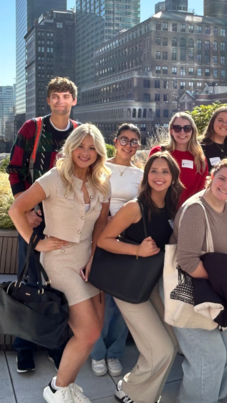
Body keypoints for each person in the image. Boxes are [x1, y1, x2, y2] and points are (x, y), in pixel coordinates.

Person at [9, 124, 111, 403]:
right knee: (88, 331)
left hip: (90, 261)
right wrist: (36, 242)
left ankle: (66, 385)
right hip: (61, 262)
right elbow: (16, 209)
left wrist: (94, 258)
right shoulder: (55, 177)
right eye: (81, 146)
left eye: (92, 148)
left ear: (99, 152)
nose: (86, 153)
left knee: (92, 333)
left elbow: (102, 224)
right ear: (71, 147)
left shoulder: (102, 180)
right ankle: (57, 388)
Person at [5, 77, 79, 374]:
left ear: (74, 100)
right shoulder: (32, 129)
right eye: (55, 97)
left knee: (59, 286)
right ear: (48, 101)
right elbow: (14, 170)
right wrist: (27, 210)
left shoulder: (78, 133)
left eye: (66, 96)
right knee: (30, 282)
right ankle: (23, 348)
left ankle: (56, 345)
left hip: (66, 223)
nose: (61, 101)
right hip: (35, 220)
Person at [97, 151, 183, 403]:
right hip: (129, 286)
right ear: (146, 176)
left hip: (151, 285)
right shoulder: (135, 207)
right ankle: (130, 391)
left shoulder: (171, 207)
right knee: (162, 349)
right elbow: (104, 240)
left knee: (172, 343)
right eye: (154, 171)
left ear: (173, 177)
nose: (159, 176)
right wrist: (137, 249)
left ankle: (144, 392)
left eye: (165, 171)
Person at [170, 159, 227, 403]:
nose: (226, 186)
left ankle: (211, 397)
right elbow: (188, 262)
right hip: (194, 292)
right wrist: (224, 282)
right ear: (212, 176)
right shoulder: (196, 209)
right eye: (222, 178)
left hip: (220, 291)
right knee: (210, 358)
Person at [90, 124, 145, 378]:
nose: (129, 145)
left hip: (127, 240)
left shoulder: (141, 174)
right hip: (98, 235)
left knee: (122, 302)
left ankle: (114, 353)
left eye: (134, 141)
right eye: (125, 139)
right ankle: (97, 352)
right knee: (101, 301)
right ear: (115, 141)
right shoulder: (100, 167)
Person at [150, 112, 208, 206]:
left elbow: (201, 191)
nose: (182, 132)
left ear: (192, 131)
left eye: (187, 128)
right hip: (159, 210)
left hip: (188, 212)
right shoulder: (158, 152)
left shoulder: (199, 159)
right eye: (177, 128)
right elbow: (149, 182)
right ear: (171, 131)